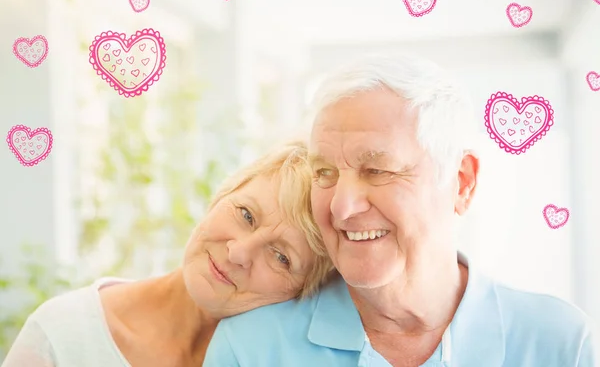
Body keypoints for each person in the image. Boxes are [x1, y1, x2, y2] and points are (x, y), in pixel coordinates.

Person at [203, 54, 598, 367]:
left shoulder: (560, 343)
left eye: (377, 170)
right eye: (324, 172)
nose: (342, 206)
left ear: (461, 183)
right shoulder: (251, 349)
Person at [1, 141, 334, 367]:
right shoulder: (62, 335)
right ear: (222, 195)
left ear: (303, 291)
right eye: (246, 214)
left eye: (281, 257)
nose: (238, 252)